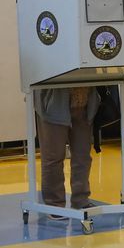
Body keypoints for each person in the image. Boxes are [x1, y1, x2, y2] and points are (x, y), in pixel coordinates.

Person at [34, 86, 100, 218]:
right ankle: (54, 205)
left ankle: (81, 200)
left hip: (84, 101)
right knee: (53, 157)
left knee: (83, 156)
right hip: (52, 103)